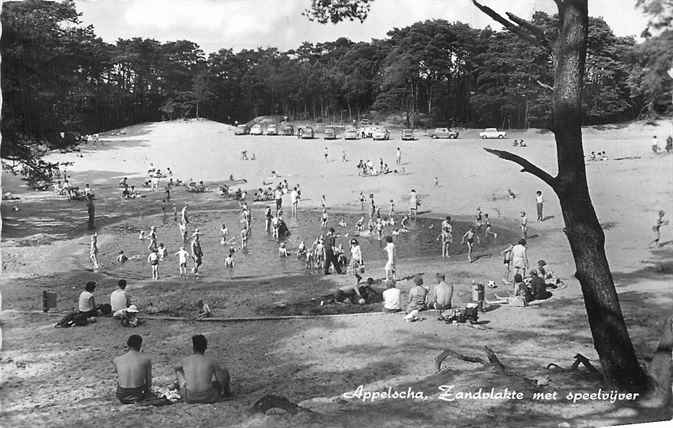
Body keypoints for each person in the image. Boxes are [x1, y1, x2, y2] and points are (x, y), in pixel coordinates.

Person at [175, 335, 231, 404]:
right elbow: (221, 381)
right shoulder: (211, 361)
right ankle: (227, 392)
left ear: (193, 347)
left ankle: (183, 387)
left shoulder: (185, 361)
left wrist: (184, 378)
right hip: (209, 397)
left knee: (178, 371)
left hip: (189, 397)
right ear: (205, 347)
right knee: (225, 371)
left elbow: (176, 368)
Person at [114, 335, 152, 404]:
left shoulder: (117, 359)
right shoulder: (146, 359)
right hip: (138, 395)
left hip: (122, 396)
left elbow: (119, 376)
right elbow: (149, 383)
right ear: (140, 345)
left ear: (127, 345)